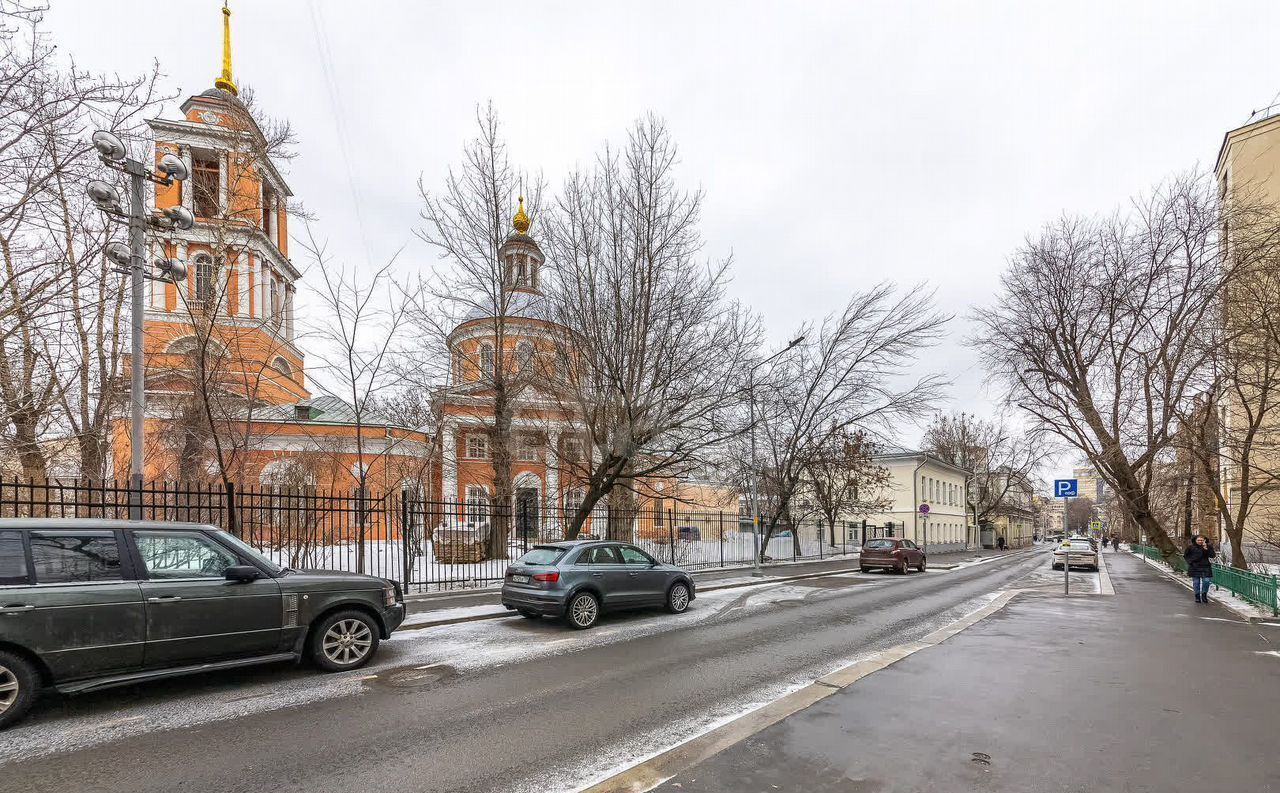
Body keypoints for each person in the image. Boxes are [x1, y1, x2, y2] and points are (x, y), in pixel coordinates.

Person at [1183, 534, 1216, 603]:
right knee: (1196, 582)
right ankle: (1197, 596)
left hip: (1205, 566)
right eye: (1198, 540)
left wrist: (1206, 549)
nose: (1200, 541)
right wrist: (1190, 562)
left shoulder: (1208, 546)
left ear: (1204, 540)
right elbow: (1186, 556)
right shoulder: (1191, 547)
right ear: (1195, 540)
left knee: (1206, 581)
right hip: (1194, 567)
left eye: (1201, 540)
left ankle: (1204, 595)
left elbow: (1212, 556)